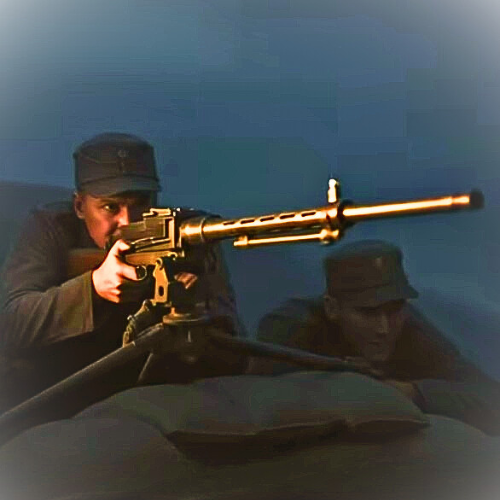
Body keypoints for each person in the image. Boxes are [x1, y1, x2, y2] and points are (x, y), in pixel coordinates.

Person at [0, 132, 246, 415]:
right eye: (110, 207)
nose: (127, 221)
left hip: (156, 391)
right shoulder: (52, 228)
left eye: (141, 203)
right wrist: (94, 287)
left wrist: (198, 311)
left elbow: (233, 344)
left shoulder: (188, 233)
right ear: (79, 206)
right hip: (62, 391)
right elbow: (12, 324)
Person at [248, 239, 500, 435]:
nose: (384, 327)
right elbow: (257, 404)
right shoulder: (292, 328)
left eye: (394, 309)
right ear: (332, 308)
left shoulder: (411, 329)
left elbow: (489, 397)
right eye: (367, 312)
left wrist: (412, 392)